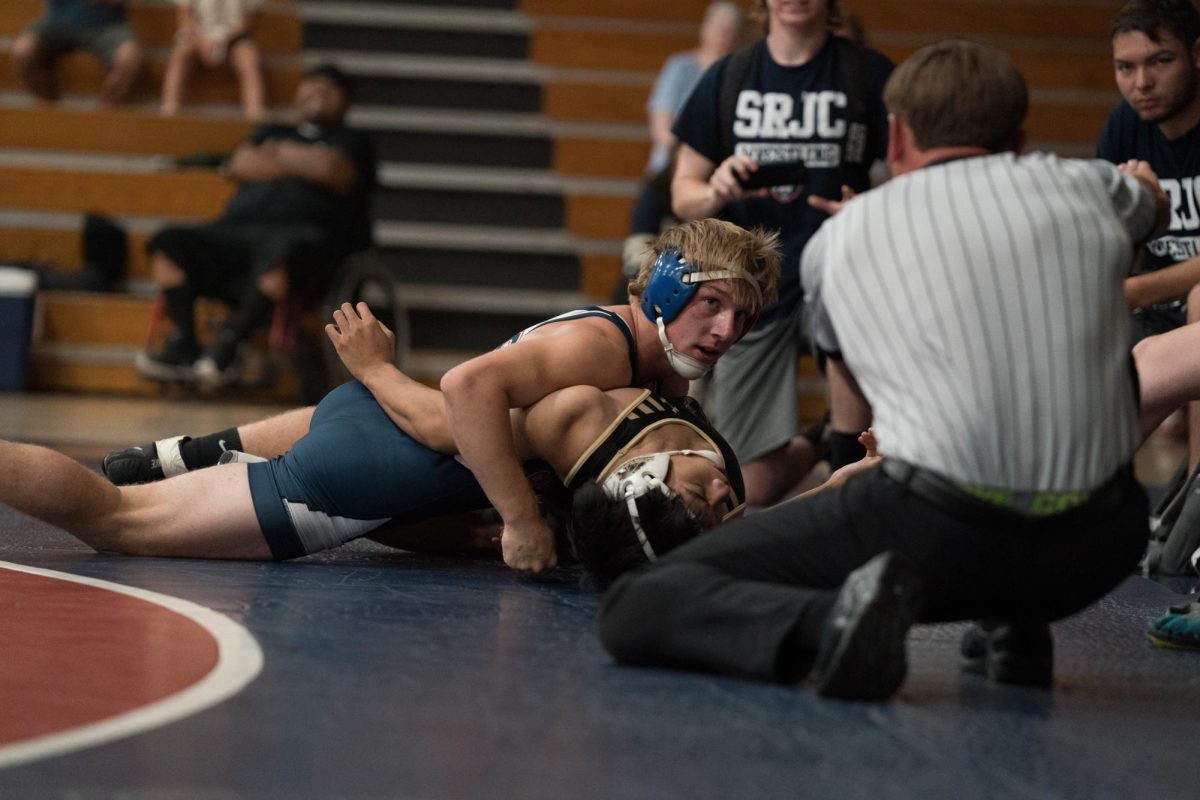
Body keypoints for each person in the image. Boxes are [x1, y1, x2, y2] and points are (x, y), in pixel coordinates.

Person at [597, 39, 1169, 702]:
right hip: (1099, 546)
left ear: (895, 140)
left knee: (637, 604)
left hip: (941, 541)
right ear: (1017, 141)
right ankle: (1017, 621)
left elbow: (856, 388)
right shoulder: (1095, 191)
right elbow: (1151, 206)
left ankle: (828, 624)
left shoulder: (845, 238)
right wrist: (1142, 196)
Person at [103, 218, 781, 572]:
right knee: (119, 524)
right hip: (409, 458)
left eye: (743, 319)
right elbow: (455, 403)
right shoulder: (601, 348)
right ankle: (128, 481)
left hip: (405, 448)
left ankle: (183, 454)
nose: (727, 330)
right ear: (664, 290)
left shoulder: (661, 363)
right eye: (714, 305)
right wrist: (521, 519)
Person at [669, 0, 893, 505]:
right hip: (751, 284)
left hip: (843, 270)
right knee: (744, 489)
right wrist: (716, 191)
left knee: (848, 318)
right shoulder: (732, 75)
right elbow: (683, 191)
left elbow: (919, 178)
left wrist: (874, 209)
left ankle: (842, 471)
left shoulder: (867, 73)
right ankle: (819, 443)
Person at [136, 63, 377, 390]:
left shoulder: (354, 141)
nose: (318, 91)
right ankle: (184, 342)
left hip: (306, 241)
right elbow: (241, 164)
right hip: (236, 232)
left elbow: (329, 168)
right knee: (169, 241)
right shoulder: (270, 128)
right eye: (311, 84)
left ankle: (228, 344)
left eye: (330, 88)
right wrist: (300, 162)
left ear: (347, 103)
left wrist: (276, 153)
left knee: (280, 249)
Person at [1099, 0, 1200, 571]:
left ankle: (1190, 486)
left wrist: (1135, 290)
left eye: (1159, 61)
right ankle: (1067, 505)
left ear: (1197, 55)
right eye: (1126, 67)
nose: (1142, 83)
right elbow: (1112, 243)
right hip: (1148, 304)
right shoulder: (1124, 125)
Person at [618, 2, 745, 299]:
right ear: (705, 30)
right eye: (719, 28)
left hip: (718, 173)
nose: (724, 36)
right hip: (672, 170)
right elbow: (662, 121)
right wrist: (684, 156)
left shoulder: (739, 73)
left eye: (731, 31)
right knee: (641, 256)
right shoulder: (681, 67)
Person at [11, 0, 144, 104]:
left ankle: (97, 124)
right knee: (23, 51)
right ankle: (53, 114)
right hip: (55, 23)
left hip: (110, 25)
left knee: (129, 59)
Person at [160, 0, 266, 121]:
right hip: (196, 35)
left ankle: (255, 113)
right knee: (180, 55)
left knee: (249, 57)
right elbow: (185, 15)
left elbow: (250, 19)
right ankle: (170, 109)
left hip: (235, 37)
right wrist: (201, 42)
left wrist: (225, 39)